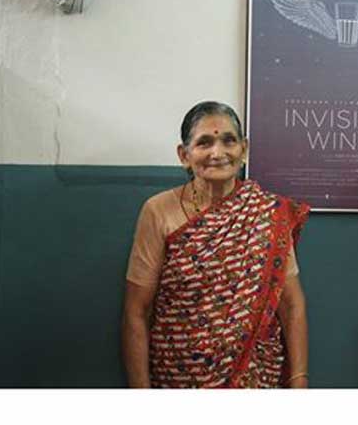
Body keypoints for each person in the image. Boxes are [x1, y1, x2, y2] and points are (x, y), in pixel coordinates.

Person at [122, 101, 310, 388]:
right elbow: (136, 311)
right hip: (178, 379)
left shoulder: (268, 214)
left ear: (244, 149)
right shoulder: (158, 212)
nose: (218, 153)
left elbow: (291, 304)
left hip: (254, 380)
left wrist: (299, 380)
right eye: (204, 143)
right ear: (184, 155)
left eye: (229, 141)